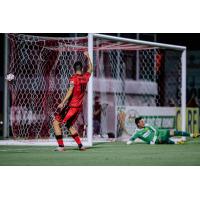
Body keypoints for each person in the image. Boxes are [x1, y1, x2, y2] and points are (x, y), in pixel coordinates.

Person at [53, 51, 93, 151]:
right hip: (78, 107)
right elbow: (91, 69)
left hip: (71, 106)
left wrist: (62, 102)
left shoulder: (73, 78)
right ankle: (80, 145)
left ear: (73, 69)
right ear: (82, 69)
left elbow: (70, 90)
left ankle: (61, 146)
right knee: (69, 125)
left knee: (56, 123)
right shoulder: (85, 78)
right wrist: (88, 57)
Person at [127, 117, 199, 145]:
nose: (143, 122)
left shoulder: (147, 125)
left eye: (143, 121)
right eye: (141, 121)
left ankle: (192, 135)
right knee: (161, 140)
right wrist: (130, 142)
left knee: (174, 132)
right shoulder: (137, 132)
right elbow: (130, 140)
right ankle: (176, 142)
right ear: (138, 124)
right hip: (158, 139)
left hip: (160, 134)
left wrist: (154, 139)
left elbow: (156, 130)